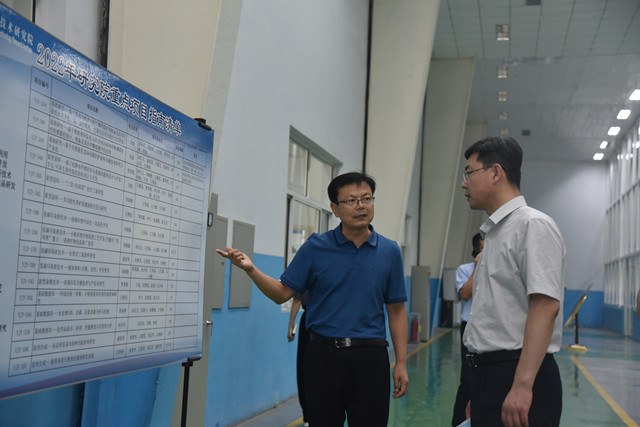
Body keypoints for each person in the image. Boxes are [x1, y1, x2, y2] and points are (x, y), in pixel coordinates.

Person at [217, 172, 408, 427]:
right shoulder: (316, 247)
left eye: (366, 199)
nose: (361, 206)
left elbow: (396, 310)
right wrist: (251, 269)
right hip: (323, 358)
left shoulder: (389, 251)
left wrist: (401, 363)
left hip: (371, 359)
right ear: (335, 209)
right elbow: (281, 294)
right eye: (351, 200)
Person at [460, 136, 565, 427]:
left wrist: (521, 385)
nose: (464, 184)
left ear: (495, 173)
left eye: (469, 173)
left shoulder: (532, 226)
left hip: (519, 375)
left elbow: (545, 306)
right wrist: (481, 387)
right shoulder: (495, 233)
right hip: (491, 377)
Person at [451, 232, 484, 426]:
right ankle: (459, 421)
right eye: (482, 248)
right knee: (468, 377)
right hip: (470, 327)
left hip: (491, 328)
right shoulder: (465, 270)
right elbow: (465, 294)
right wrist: (478, 268)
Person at [287, 291, 309, 425]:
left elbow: (297, 301)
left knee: (303, 368)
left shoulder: (307, 278)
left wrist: (290, 326)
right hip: (328, 323)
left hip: (309, 322)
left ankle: (308, 415)